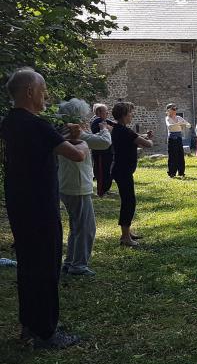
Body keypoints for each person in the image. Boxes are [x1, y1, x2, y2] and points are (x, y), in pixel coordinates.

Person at [0, 67, 88, 348]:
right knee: (47, 265)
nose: (46, 95)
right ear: (29, 92)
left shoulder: (9, 122)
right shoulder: (36, 125)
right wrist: (81, 139)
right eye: (43, 89)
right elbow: (75, 155)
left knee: (28, 264)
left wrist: (66, 136)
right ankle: (47, 332)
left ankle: (30, 324)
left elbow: (46, 145)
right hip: (40, 204)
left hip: (19, 202)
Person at [57, 99, 112, 276]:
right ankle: (78, 266)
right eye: (84, 116)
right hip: (77, 185)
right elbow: (103, 143)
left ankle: (70, 262)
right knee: (87, 228)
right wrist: (105, 130)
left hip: (68, 184)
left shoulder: (65, 131)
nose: (87, 119)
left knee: (77, 226)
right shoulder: (75, 133)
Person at [111, 102, 154, 246]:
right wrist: (149, 139)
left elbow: (133, 137)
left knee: (128, 201)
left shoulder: (120, 129)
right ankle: (125, 237)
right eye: (130, 113)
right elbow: (148, 145)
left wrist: (143, 136)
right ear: (124, 115)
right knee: (129, 202)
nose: (132, 115)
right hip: (122, 171)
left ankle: (127, 232)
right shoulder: (124, 131)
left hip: (122, 170)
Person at [90, 103, 115, 196]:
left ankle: (105, 189)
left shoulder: (104, 121)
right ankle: (101, 191)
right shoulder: (97, 121)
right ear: (99, 112)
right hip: (101, 152)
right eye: (105, 111)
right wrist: (109, 129)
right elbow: (102, 132)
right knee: (101, 171)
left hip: (107, 151)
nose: (108, 113)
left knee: (107, 171)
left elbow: (115, 126)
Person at [165, 103, 190, 178]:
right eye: (173, 109)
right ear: (168, 110)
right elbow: (169, 126)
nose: (175, 110)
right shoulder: (167, 118)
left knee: (180, 155)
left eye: (176, 109)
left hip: (179, 138)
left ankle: (181, 172)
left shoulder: (179, 117)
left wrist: (186, 125)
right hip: (172, 138)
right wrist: (179, 124)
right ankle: (172, 173)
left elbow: (188, 125)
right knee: (172, 155)